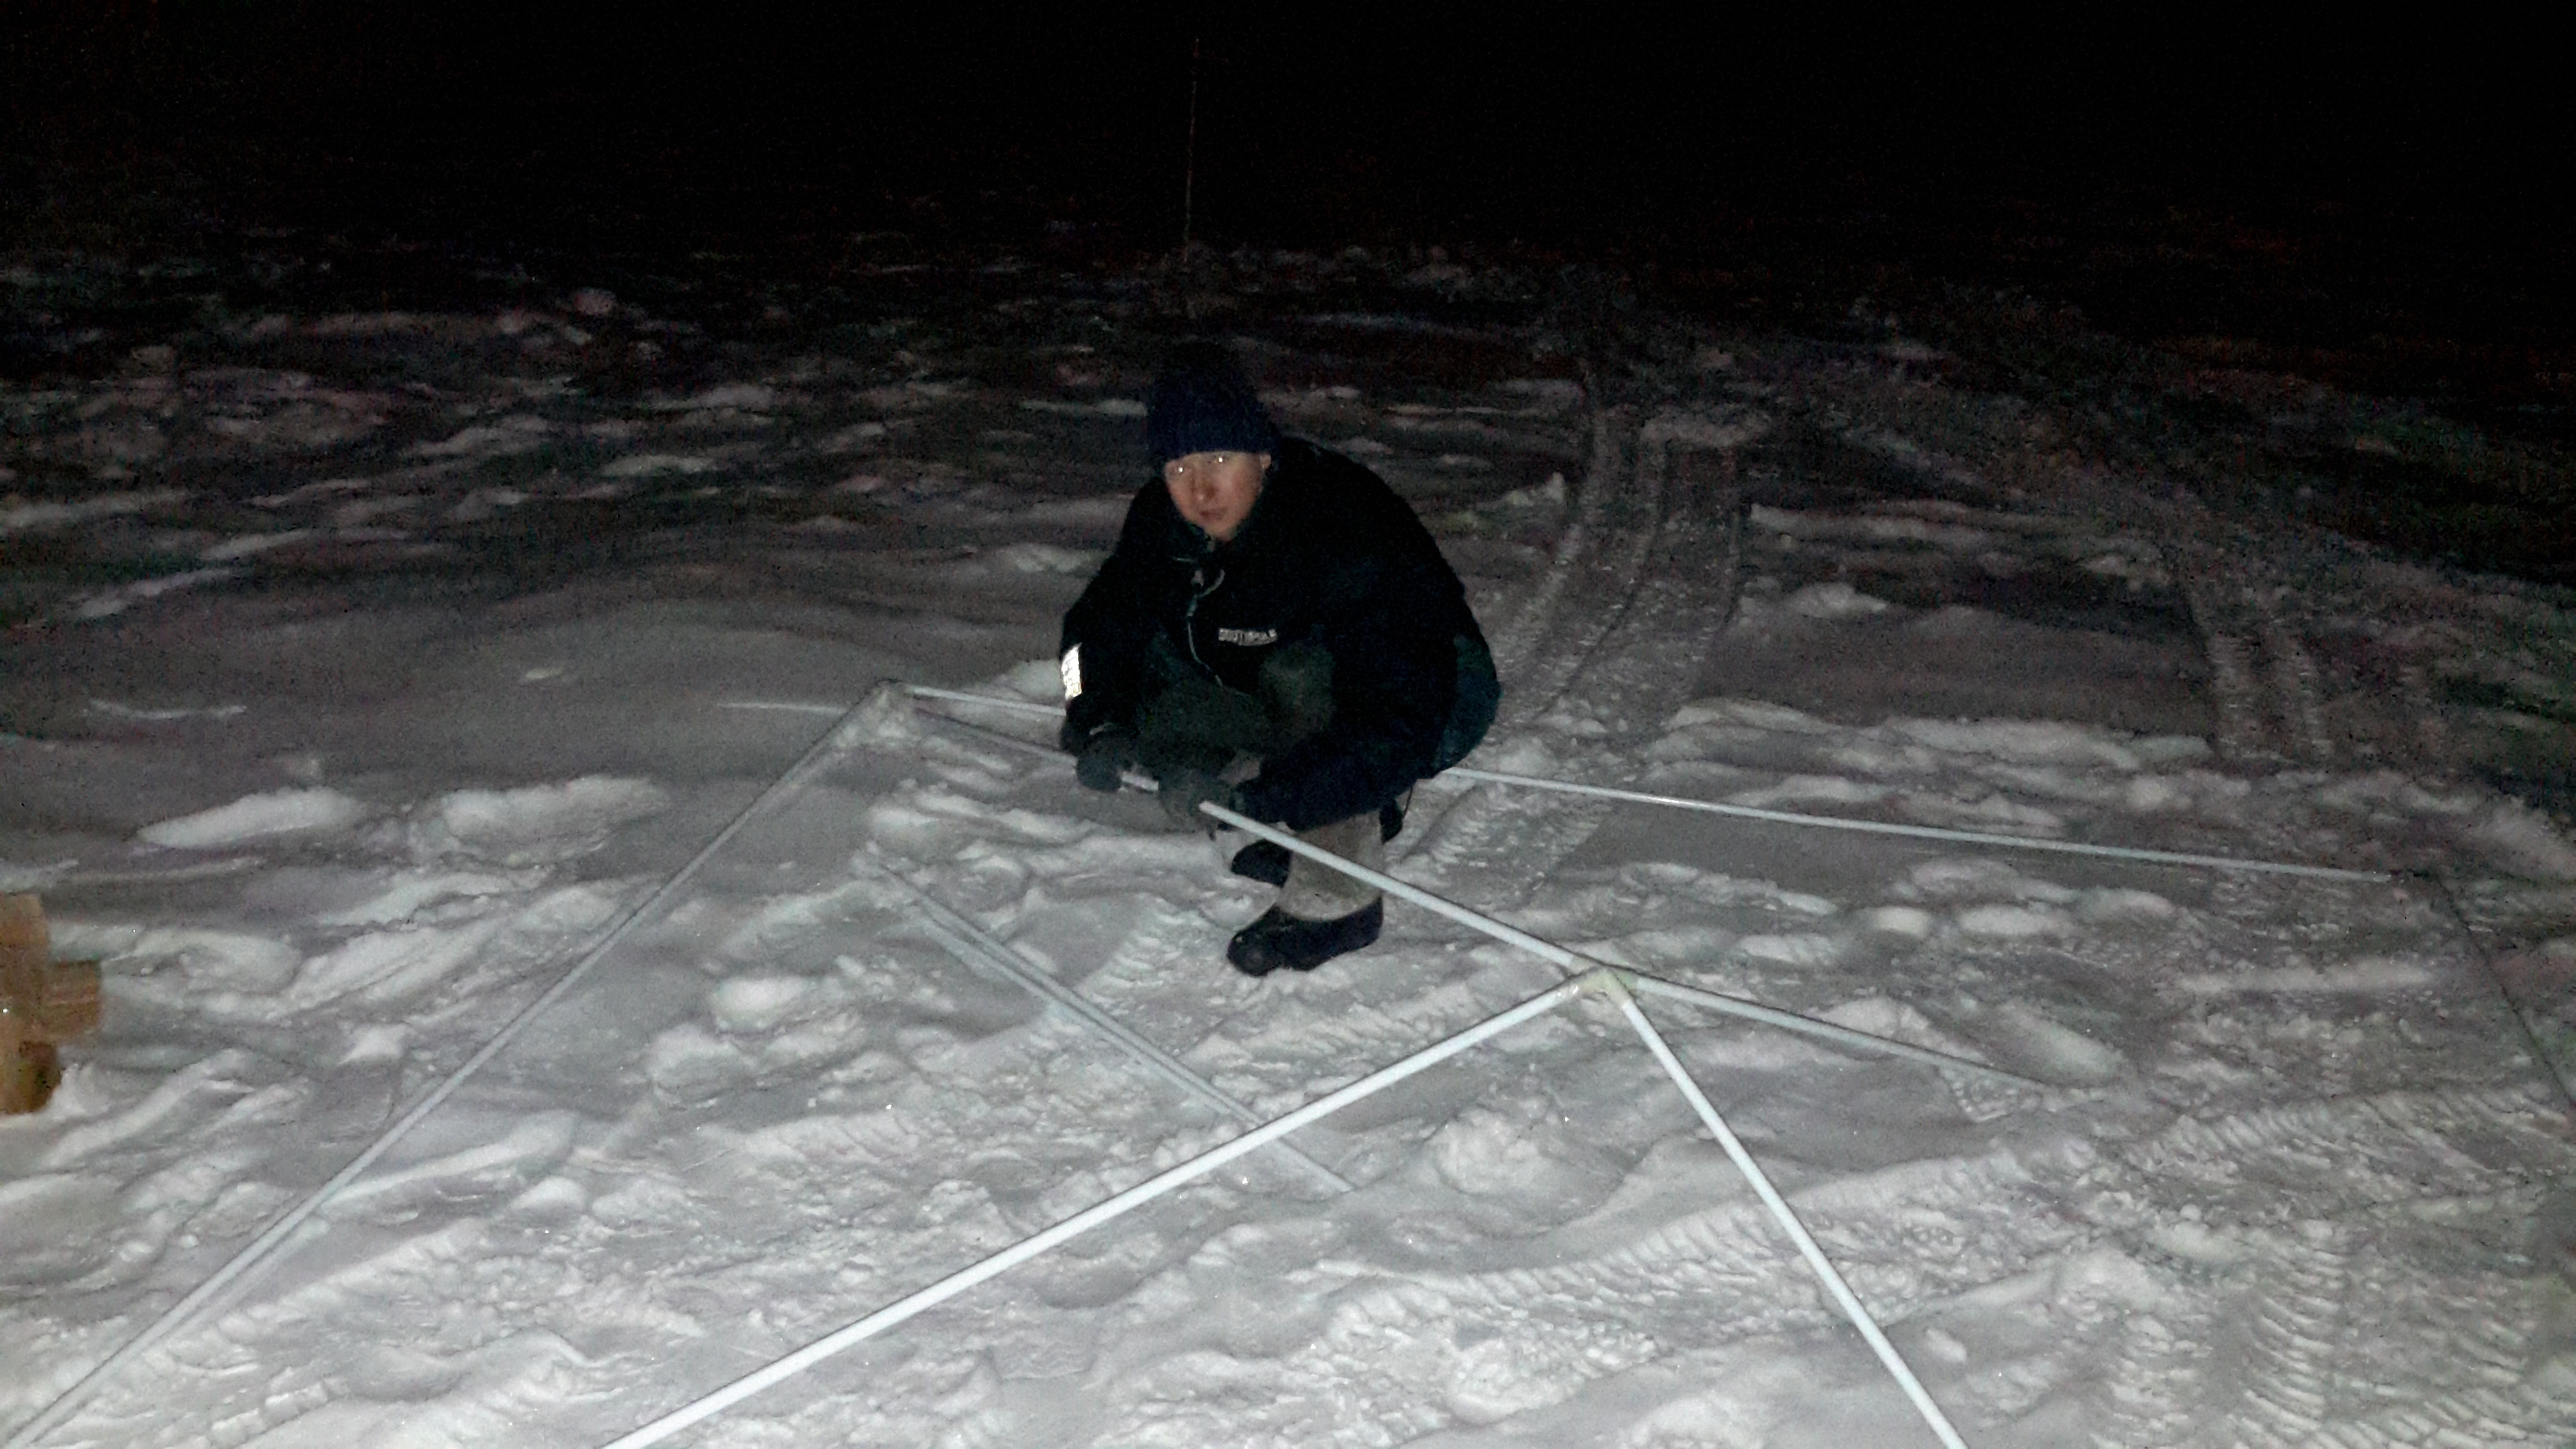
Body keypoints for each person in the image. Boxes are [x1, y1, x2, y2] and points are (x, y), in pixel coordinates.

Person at [1058, 342, 1500, 975]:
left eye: (1219, 459)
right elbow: (1088, 635)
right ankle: (1278, 812)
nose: (1201, 488)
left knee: (1304, 680)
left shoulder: (1338, 526)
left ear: (1263, 456)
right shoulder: (1161, 524)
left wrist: (1260, 800)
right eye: (1179, 468)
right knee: (1159, 702)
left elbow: (1399, 711)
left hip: (1426, 701)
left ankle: (1338, 897)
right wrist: (1094, 717)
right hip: (1257, 684)